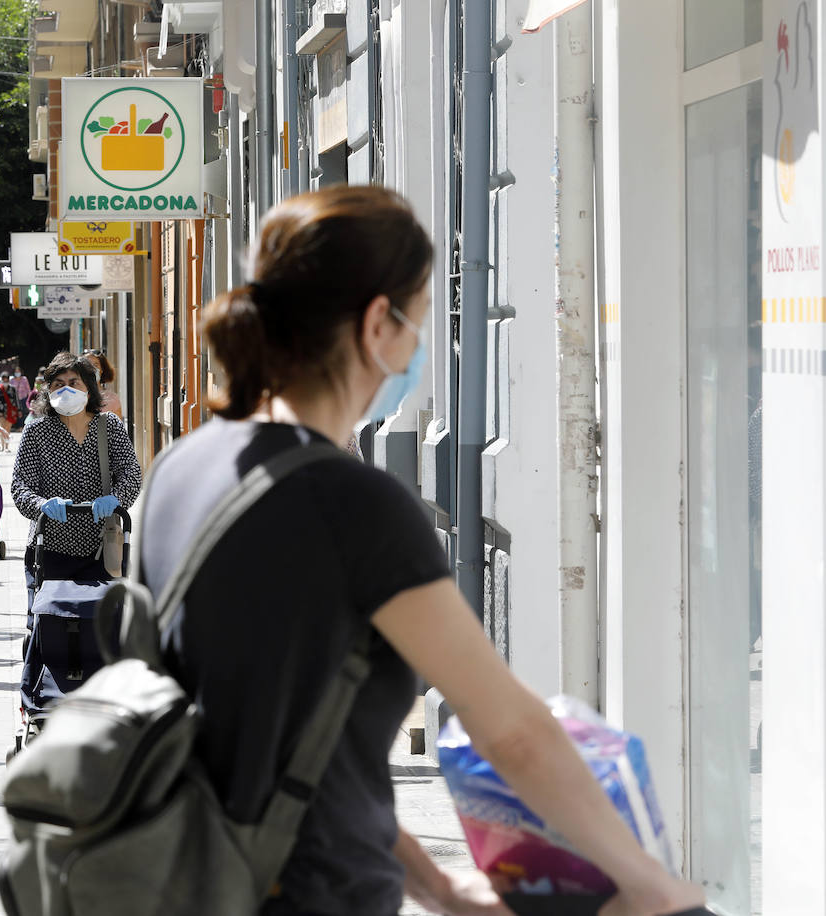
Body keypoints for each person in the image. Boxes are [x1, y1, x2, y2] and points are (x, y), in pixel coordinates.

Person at [137, 186, 704, 916]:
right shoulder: (355, 504)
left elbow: (281, 745)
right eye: (419, 317)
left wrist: (435, 884)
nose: (416, 346)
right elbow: (513, 731)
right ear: (379, 323)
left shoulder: (179, 472)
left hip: (185, 884)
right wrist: (651, 885)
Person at [10, 352, 142, 581]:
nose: (65, 390)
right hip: (48, 549)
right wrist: (42, 505)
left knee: (103, 616)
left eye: (74, 383)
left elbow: (131, 473)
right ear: (48, 391)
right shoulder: (36, 432)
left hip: (101, 548)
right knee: (47, 615)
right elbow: (20, 487)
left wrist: (117, 498)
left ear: (88, 389)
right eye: (58, 385)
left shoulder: (109, 426)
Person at [82, 349, 123, 418]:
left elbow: (117, 427)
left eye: (96, 365)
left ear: (102, 370)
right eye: (87, 365)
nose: (92, 369)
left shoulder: (112, 399)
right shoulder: (75, 396)